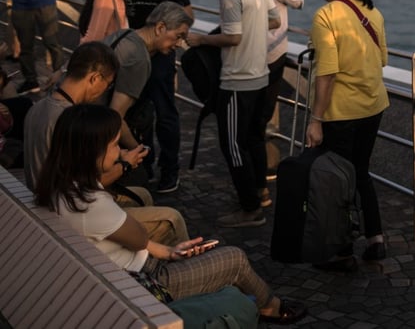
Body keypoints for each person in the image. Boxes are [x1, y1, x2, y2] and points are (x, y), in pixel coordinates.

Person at [33, 104, 307, 325]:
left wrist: (169, 252)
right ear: (93, 150)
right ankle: (270, 307)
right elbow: (138, 237)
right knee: (234, 259)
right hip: (144, 284)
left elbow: (135, 240)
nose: (120, 151)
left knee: (191, 245)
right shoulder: (91, 203)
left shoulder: (63, 187)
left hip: (117, 279)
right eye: (115, 145)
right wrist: (163, 253)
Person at [22, 41, 187, 245]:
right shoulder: (71, 122)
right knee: (171, 219)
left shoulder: (38, 107)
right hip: (65, 215)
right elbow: (86, 186)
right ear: (95, 78)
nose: (104, 91)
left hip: (46, 201)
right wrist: (125, 164)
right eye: (108, 84)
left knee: (141, 195)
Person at [186, 0, 280, 228]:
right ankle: (261, 192)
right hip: (260, 75)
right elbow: (274, 20)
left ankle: (250, 208)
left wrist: (200, 40)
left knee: (232, 146)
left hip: (237, 79)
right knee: (254, 138)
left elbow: (233, 37)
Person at [304, 0, 390, 261]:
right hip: (373, 106)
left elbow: (327, 72)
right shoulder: (372, 12)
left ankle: (340, 251)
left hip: (340, 113)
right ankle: (375, 239)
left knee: (337, 179)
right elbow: (382, 59)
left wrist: (316, 120)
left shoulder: (325, 16)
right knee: (361, 172)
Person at [119, 0, 193, 194]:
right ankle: (143, 166)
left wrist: (171, 38)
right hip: (132, 55)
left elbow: (188, 16)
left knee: (166, 116)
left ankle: (170, 170)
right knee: (136, 117)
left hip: (161, 57)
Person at [246, 0, 309, 177]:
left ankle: (253, 162)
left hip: (249, 47)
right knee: (263, 113)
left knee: (251, 110)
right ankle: (261, 168)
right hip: (272, 52)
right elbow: (300, 1)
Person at [103, 2, 195, 155]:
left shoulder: (124, 34)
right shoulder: (139, 59)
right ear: (160, 28)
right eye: (178, 37)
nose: (179, 44)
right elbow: (115, 118)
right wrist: (139, 152)